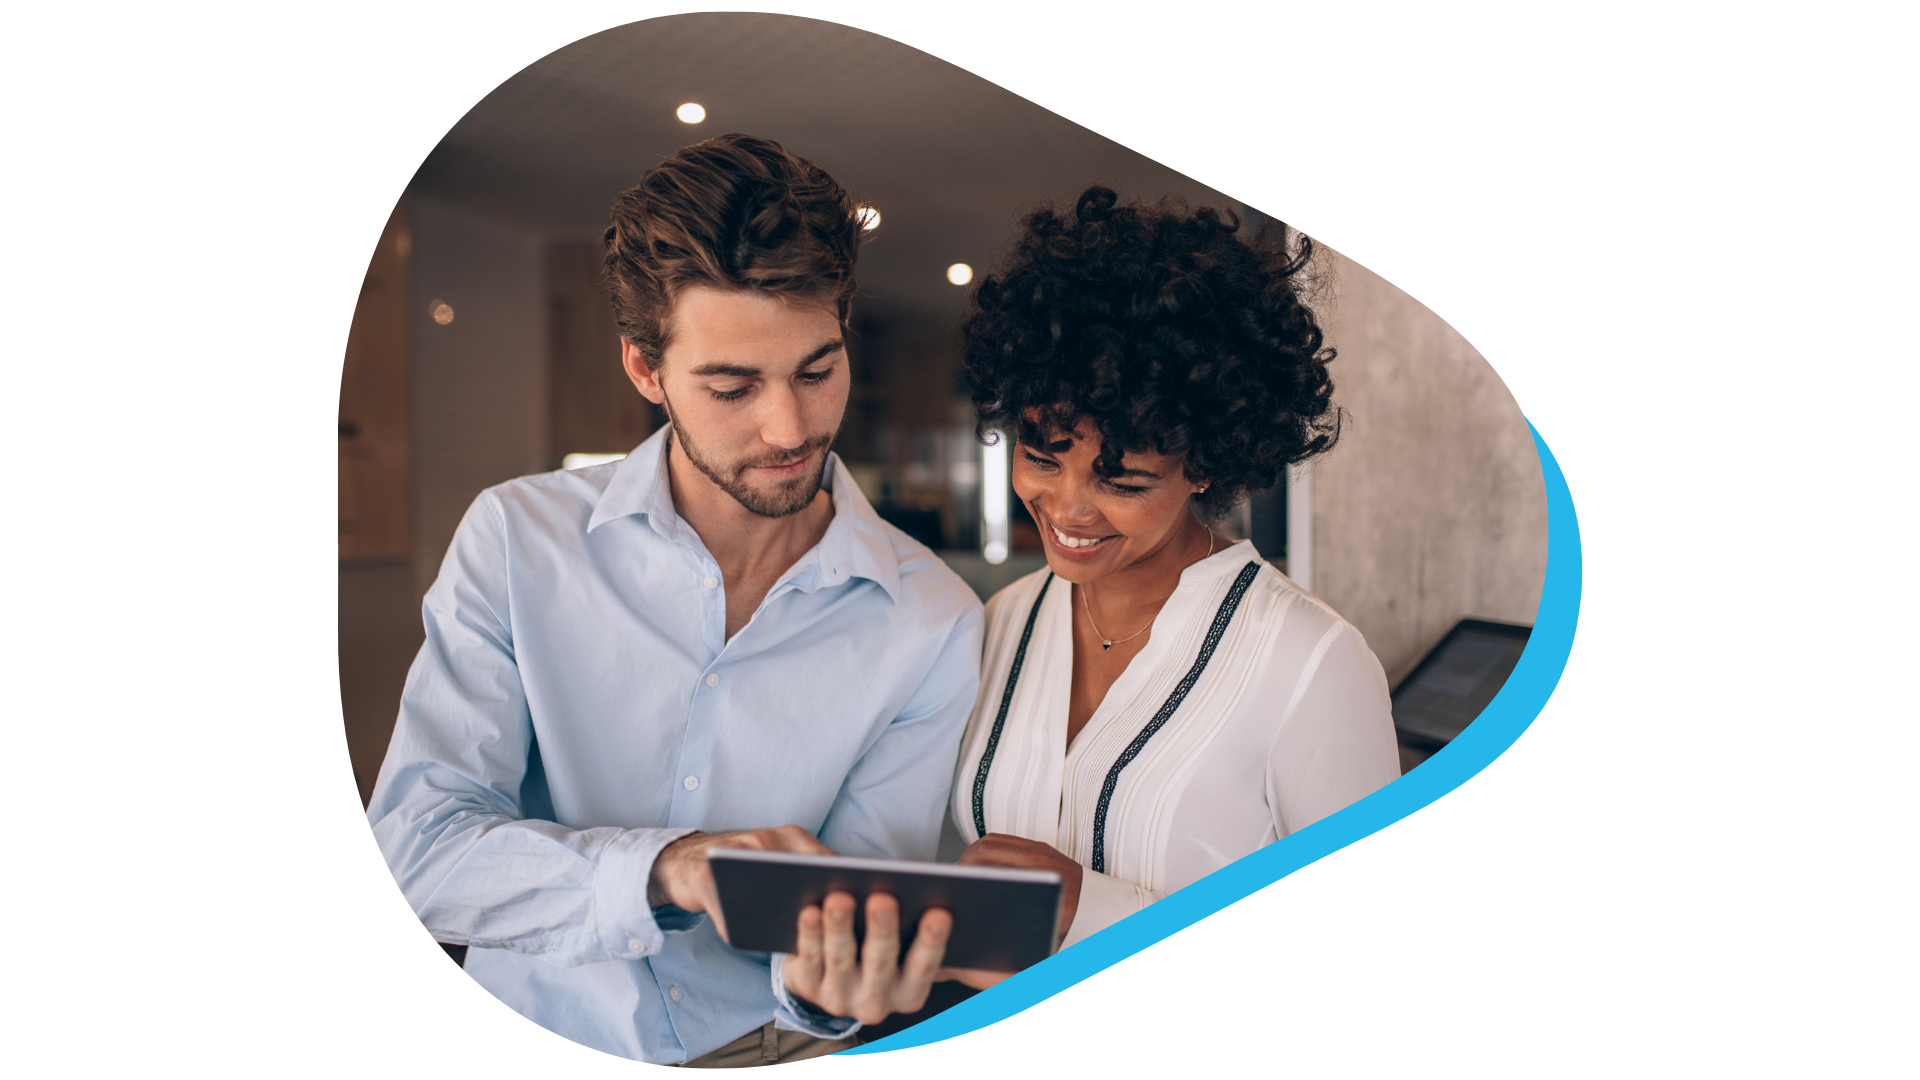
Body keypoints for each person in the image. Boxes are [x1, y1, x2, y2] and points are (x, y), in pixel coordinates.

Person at [365, 134, 985, 1065]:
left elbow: (853, 919)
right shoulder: (517, 539)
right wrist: (666, 869)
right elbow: (418, 852)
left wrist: (834, 987)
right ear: (645, 372)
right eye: (732, 387)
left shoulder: (931, 616)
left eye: (817, 371)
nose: (790, 428)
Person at [940, 187, 1401, 975]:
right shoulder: (1004, 619)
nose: (1067, 508)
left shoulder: (1310, 660)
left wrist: (1087, 910)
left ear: (1209, 464)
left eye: (1122, 481)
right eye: (1042, 456)